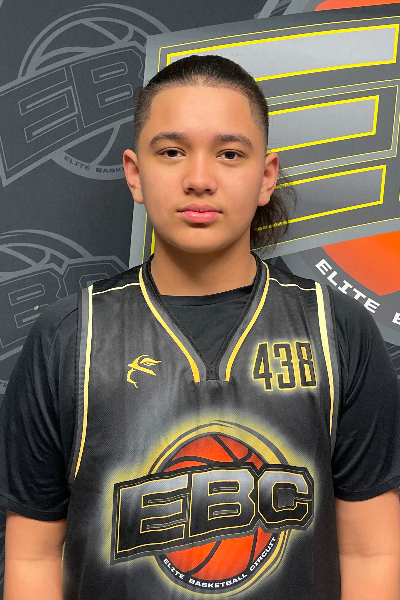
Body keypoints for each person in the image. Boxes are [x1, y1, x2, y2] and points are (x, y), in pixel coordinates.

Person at [1, 55, 400, 600]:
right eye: (171, 152)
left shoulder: (337, 330)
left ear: (265, 177)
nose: (199, 180)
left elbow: (371, 552)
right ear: (135, 174)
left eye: (229, 154)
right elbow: (34, 555)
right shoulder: (68, 337)